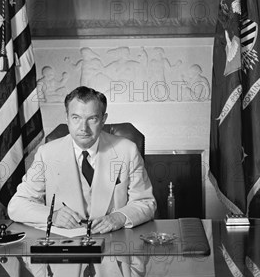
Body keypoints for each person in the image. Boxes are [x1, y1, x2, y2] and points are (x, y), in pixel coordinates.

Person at [8, 86, 156, 233]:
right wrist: (52, 216)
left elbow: (146, 202)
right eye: (76, 118)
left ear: (103, 119)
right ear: (67, 118)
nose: (83, 128)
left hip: (114, 240)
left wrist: (119, 217)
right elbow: (17, 205)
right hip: (64, 245)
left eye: (92, 119)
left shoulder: (127, 151)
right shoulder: (47, 154)